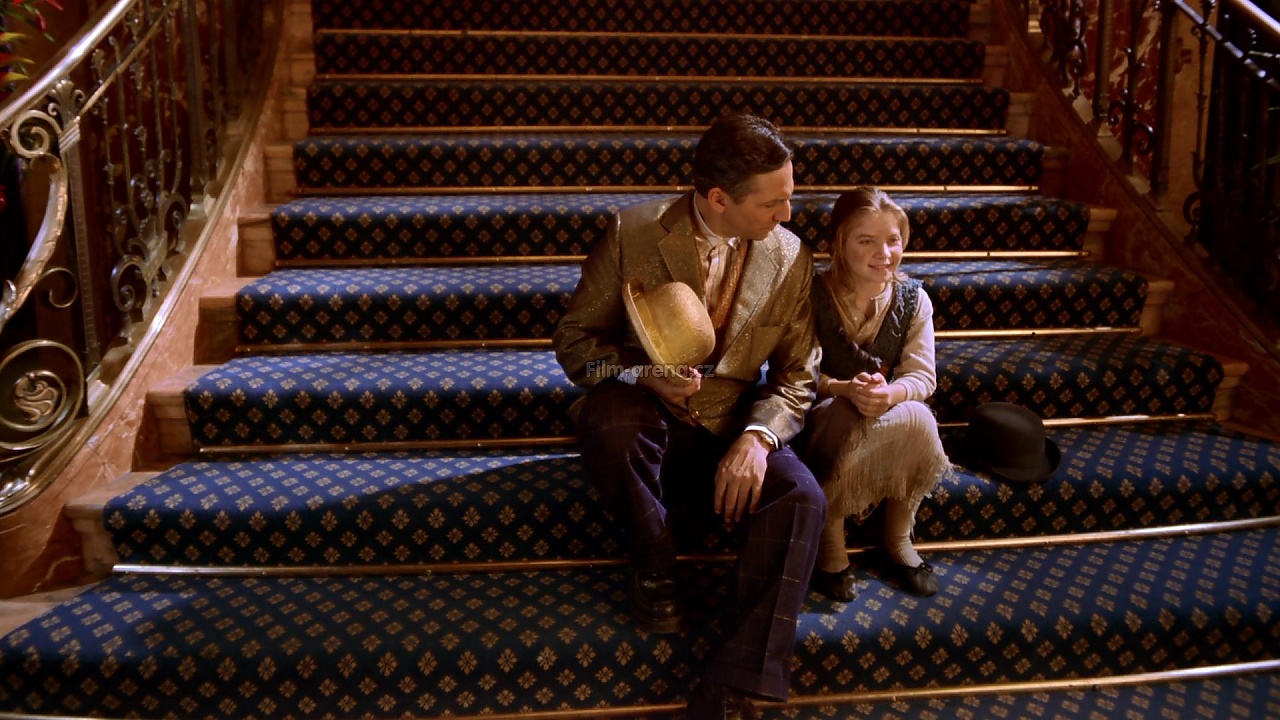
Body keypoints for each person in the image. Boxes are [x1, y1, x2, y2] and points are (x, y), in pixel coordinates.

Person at [552, 113, 825, 720]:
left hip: (730, 422)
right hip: (641, 410)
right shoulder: (633, 232)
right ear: (719, 197)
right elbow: (575, 345)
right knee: (614, 424)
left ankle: (732, 685)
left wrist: (758, 438)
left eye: (789, 197)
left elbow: (799, 374)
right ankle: (653, 565)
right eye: (773, 202)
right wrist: (640, 374)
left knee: (803, 497)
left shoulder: (791, 256)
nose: (787, 215)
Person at [800, 187, 953, 601]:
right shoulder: (811, 295)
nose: (883, 253)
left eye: (893, 240)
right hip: (826, 412)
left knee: (919, 416)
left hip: (884, 407)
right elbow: (795, 372)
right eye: (866, 241)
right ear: (839, 243)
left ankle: (898, 539)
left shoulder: (914, 299)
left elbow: (922, 376)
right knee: (844, 418)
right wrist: (843, 389)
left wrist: (891, 394)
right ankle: (831, 543)